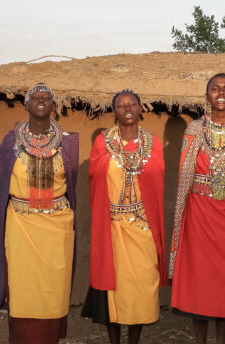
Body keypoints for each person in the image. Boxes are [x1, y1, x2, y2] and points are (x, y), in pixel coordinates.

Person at [0, 83, 79, 344]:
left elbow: (72, 189)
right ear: (26, 105)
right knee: (23, 291)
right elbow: (0, 189)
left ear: (54, 106)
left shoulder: (68, 143)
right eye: (35, 97)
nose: (41, 101)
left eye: (47, 98)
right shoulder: (10, 142)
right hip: (20, 226)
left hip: (57, 229)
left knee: (53, 291)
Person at [169, 73, 225, 344]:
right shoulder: (195, 129)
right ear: (206, 95)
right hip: (200, 215)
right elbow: (185, 176)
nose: (221, 93)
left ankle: (221, 340)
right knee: (201, 283)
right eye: (215, 88)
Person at [81, 89, 166, 344]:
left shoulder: (153, 143)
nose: (127, 108)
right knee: (114, 291)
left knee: (141, 288)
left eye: (132, 104)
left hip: (142, 228)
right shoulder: (102, 143)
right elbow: (96, 183)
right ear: (114, 111)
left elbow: (156, 183)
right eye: (121, 105)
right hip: (112, 228)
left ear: (141, 108)